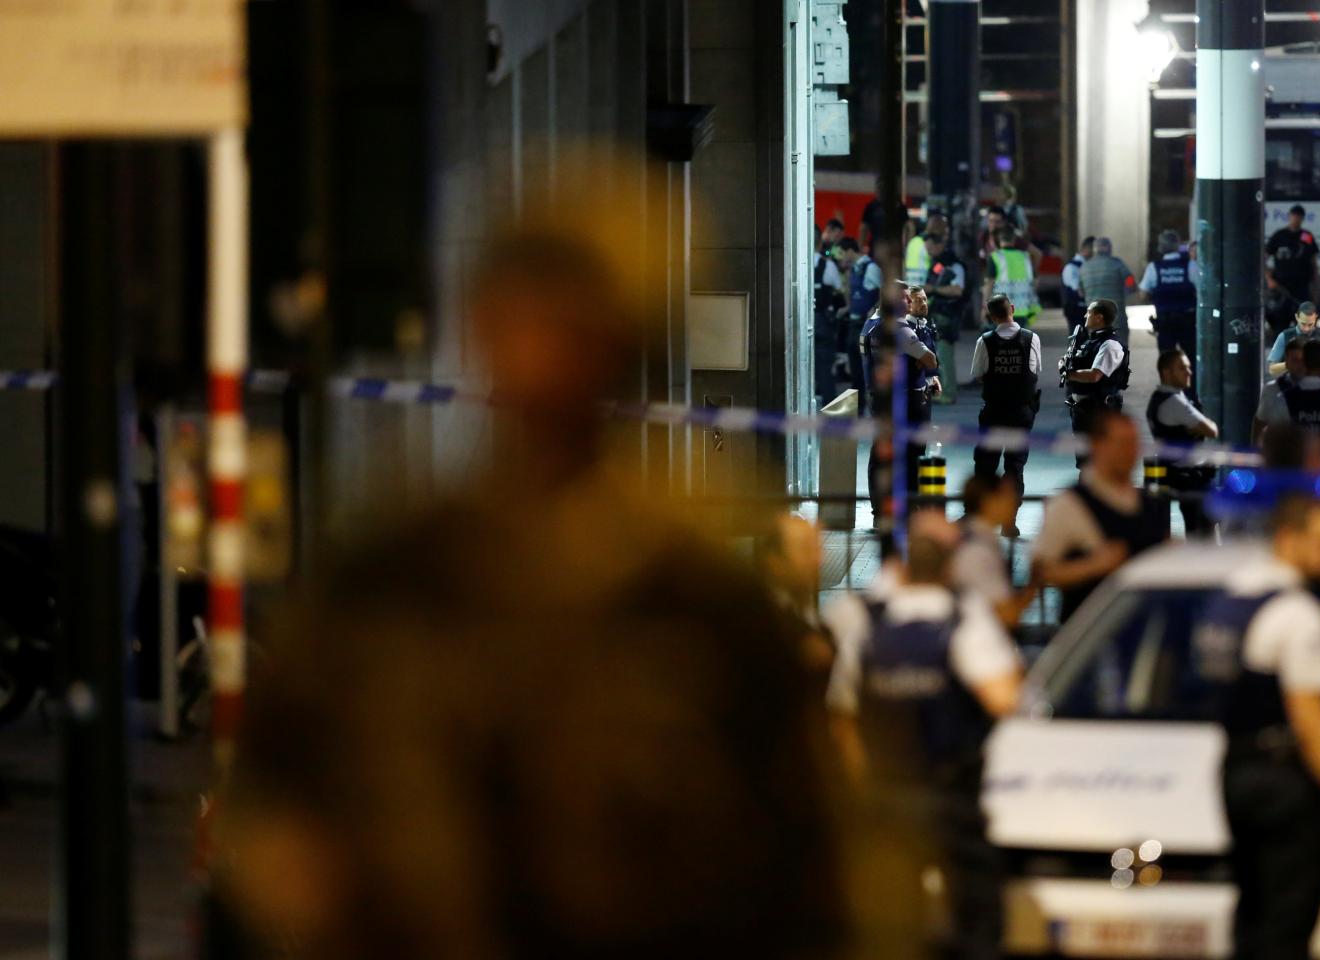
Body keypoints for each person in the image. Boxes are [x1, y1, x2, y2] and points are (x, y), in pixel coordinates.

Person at [221, 182, 860, 958]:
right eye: (523, 313)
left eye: (575, 322)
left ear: (629, 342)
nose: (541, 353)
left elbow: (808, 881)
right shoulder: (389, 583)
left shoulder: (699, 605)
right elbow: (273, 836)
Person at [825, 509, 1023, 960]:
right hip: (947, 791)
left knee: (894, 924)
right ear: (950, 564)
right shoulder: (963, 618)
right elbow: (1005, 699)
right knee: (975, 915)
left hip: (885, 796)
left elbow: (842, 719)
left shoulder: (870, 625)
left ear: (903, 564)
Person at [1194, 494, 1320, 960]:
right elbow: (1310, 719)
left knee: (1253, 909)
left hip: (1234, 769)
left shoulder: (1230, 599)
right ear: (1288, 538)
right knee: (1287, 922)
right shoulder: (1298, 613)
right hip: (1283, 780)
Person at [1033, 412, 1171, 623]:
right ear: (1097, 445)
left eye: (1134, 443)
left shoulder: (1151, 504)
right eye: (1122, 443)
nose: (1129, 451)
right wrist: (1092, 566)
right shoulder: (1070, 504)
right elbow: (1042, 571)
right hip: (1089, 634)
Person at [861, 284, 943, 523]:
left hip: (878, 400)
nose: (910, 304)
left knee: (880, 456)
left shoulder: (870, 325)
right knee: (912, 454)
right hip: (907, 401)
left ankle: (880, 512)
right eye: (906, 299)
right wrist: (920, 361)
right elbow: (929, 359)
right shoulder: (901, 330)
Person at [968, 295, 1042, 506]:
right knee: (1015, 466)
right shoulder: (1031, 338)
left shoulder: (985, 340)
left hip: (994, 411)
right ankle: (1009, 520)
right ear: (1012, 308)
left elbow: (978, 374)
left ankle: (980, 512)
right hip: (1022, 411)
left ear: (991, 316)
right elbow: (1034, 371)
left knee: (985, 464)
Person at [1147, 349, 1219, 534]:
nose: (1189, 372)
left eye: (1188, 367)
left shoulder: (1160, 398)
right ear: (1166, 372)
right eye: (1182, 368)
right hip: (1189, 478)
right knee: (1202, 534)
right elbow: (1212, 430)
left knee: (1197, 529)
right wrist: (1197, 427)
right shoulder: (1174, 402)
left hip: (1181, 475)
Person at [759, 512, 835, 689]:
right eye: (806, 549)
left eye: (817, 547)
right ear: (775, 562)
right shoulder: (764, 629)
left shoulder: (809, 617)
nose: (818, 560)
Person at [952, 474, 1039, 626]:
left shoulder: (968, 536)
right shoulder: (979, 552)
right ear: (989, 502)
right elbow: (1007, 616)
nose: (1015, 502)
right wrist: (1035, 582)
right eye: (1007, 496)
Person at [1061, 300, 1131, 461]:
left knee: (1098, 460)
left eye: (1089, 312)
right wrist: (1064, 363)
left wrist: (1069, 374)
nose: (1085, 315)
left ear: (1099, 317)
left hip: (1099, 410)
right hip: (1082, 410)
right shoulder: (1089, 341)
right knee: (1085, 460)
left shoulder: (1110, 344)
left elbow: (1095, 375)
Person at [1138, 229, 1200, 363]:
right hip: (1188, 321)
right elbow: (1202, 290)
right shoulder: (1190, 265)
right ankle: (1192, 383)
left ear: (1160, 247)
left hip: (1165, 322)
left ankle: (1169, 384)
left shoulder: (1154, 267)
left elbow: (1143, 295)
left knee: (1167, 361)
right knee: (1191, 359)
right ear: (1178, 246)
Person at [924, 231, 970, 404]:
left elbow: (957, 290)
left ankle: (949, 393)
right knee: (938, 355)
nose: (928, 252)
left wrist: (933, 290)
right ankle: (942, 390)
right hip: (938, 314)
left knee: (945, 354)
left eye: (930, 248)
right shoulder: (939, 263)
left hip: (948, 316)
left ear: (939, 245)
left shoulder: (953, 265)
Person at [846, 241, 884, 412]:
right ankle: (858, 410)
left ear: (850, 251)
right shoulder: (854, 269)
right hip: (853, 323)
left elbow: (883, 291)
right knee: (855, 372)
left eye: (841, 252)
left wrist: (875, 310)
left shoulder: (871, 268)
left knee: (867, 370)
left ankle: (874, 409)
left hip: (866, 325)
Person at [1251, 338, 1307, 447]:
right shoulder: (1272, 390)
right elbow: (1260, 423)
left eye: (1303, 360)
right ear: (1286, 361)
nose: (1300, 365)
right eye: (1295, 360)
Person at [1077, 238, 1135, 342]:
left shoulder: (1084, 267)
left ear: (1095, 249)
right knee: (1120, 349)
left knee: (1096, 349)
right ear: (1108, 247)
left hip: (1094, 318)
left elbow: (1080, 292)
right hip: (1115, 317)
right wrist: (1127, 290)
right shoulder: (1117, 264)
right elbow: (1130, 280)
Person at [812, 242, 848, 407]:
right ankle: (829, 409)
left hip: (797, 320)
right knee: (825, 367)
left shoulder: (792, 261)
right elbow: (839, 289)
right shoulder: (828, 266)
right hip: (823, 321)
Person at [982, 228, 1041, 328]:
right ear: (1014, 240)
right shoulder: (1025, 257)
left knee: (999, 341)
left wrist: (985, 307)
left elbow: (989, 284)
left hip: (1001, 310)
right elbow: (1035, 281)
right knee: (1019, 341)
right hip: (1023, 310)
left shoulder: (995, 257)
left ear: (998, 240)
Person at [1266, 302, 1320, 377]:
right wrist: (1292, 362)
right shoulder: (1284, 337)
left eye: (1310, 324)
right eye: (1303, 324)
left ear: (1316, 317)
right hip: (1292, 385)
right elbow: (1272, 370)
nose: (1306, 329)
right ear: (1296, 317)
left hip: (1318, 385)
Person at [1265, 204, 1320, 306]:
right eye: (1294, 216)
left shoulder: (1306, 236)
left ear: (1303, 218)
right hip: (1281, 286)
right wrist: (1269, 279)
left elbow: (1313, 262)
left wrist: (1315, 287)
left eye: (1299, 216)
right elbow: (1263, 259)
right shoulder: (1279, 236)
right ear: (1289, 216)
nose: (1296, 219)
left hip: (1302, 285)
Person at [1060, 236, 1094, 334]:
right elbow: (1078, 289)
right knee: (1078, 338)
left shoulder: (1086, 265)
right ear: (1086, 249)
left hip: (1084, 308)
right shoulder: (1072, 267)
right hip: (1075, 309)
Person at [906, 213, 946, 286]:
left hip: (910, 283)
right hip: (921, 285)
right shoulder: (929, 243)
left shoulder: (914, 241)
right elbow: (941, 261)